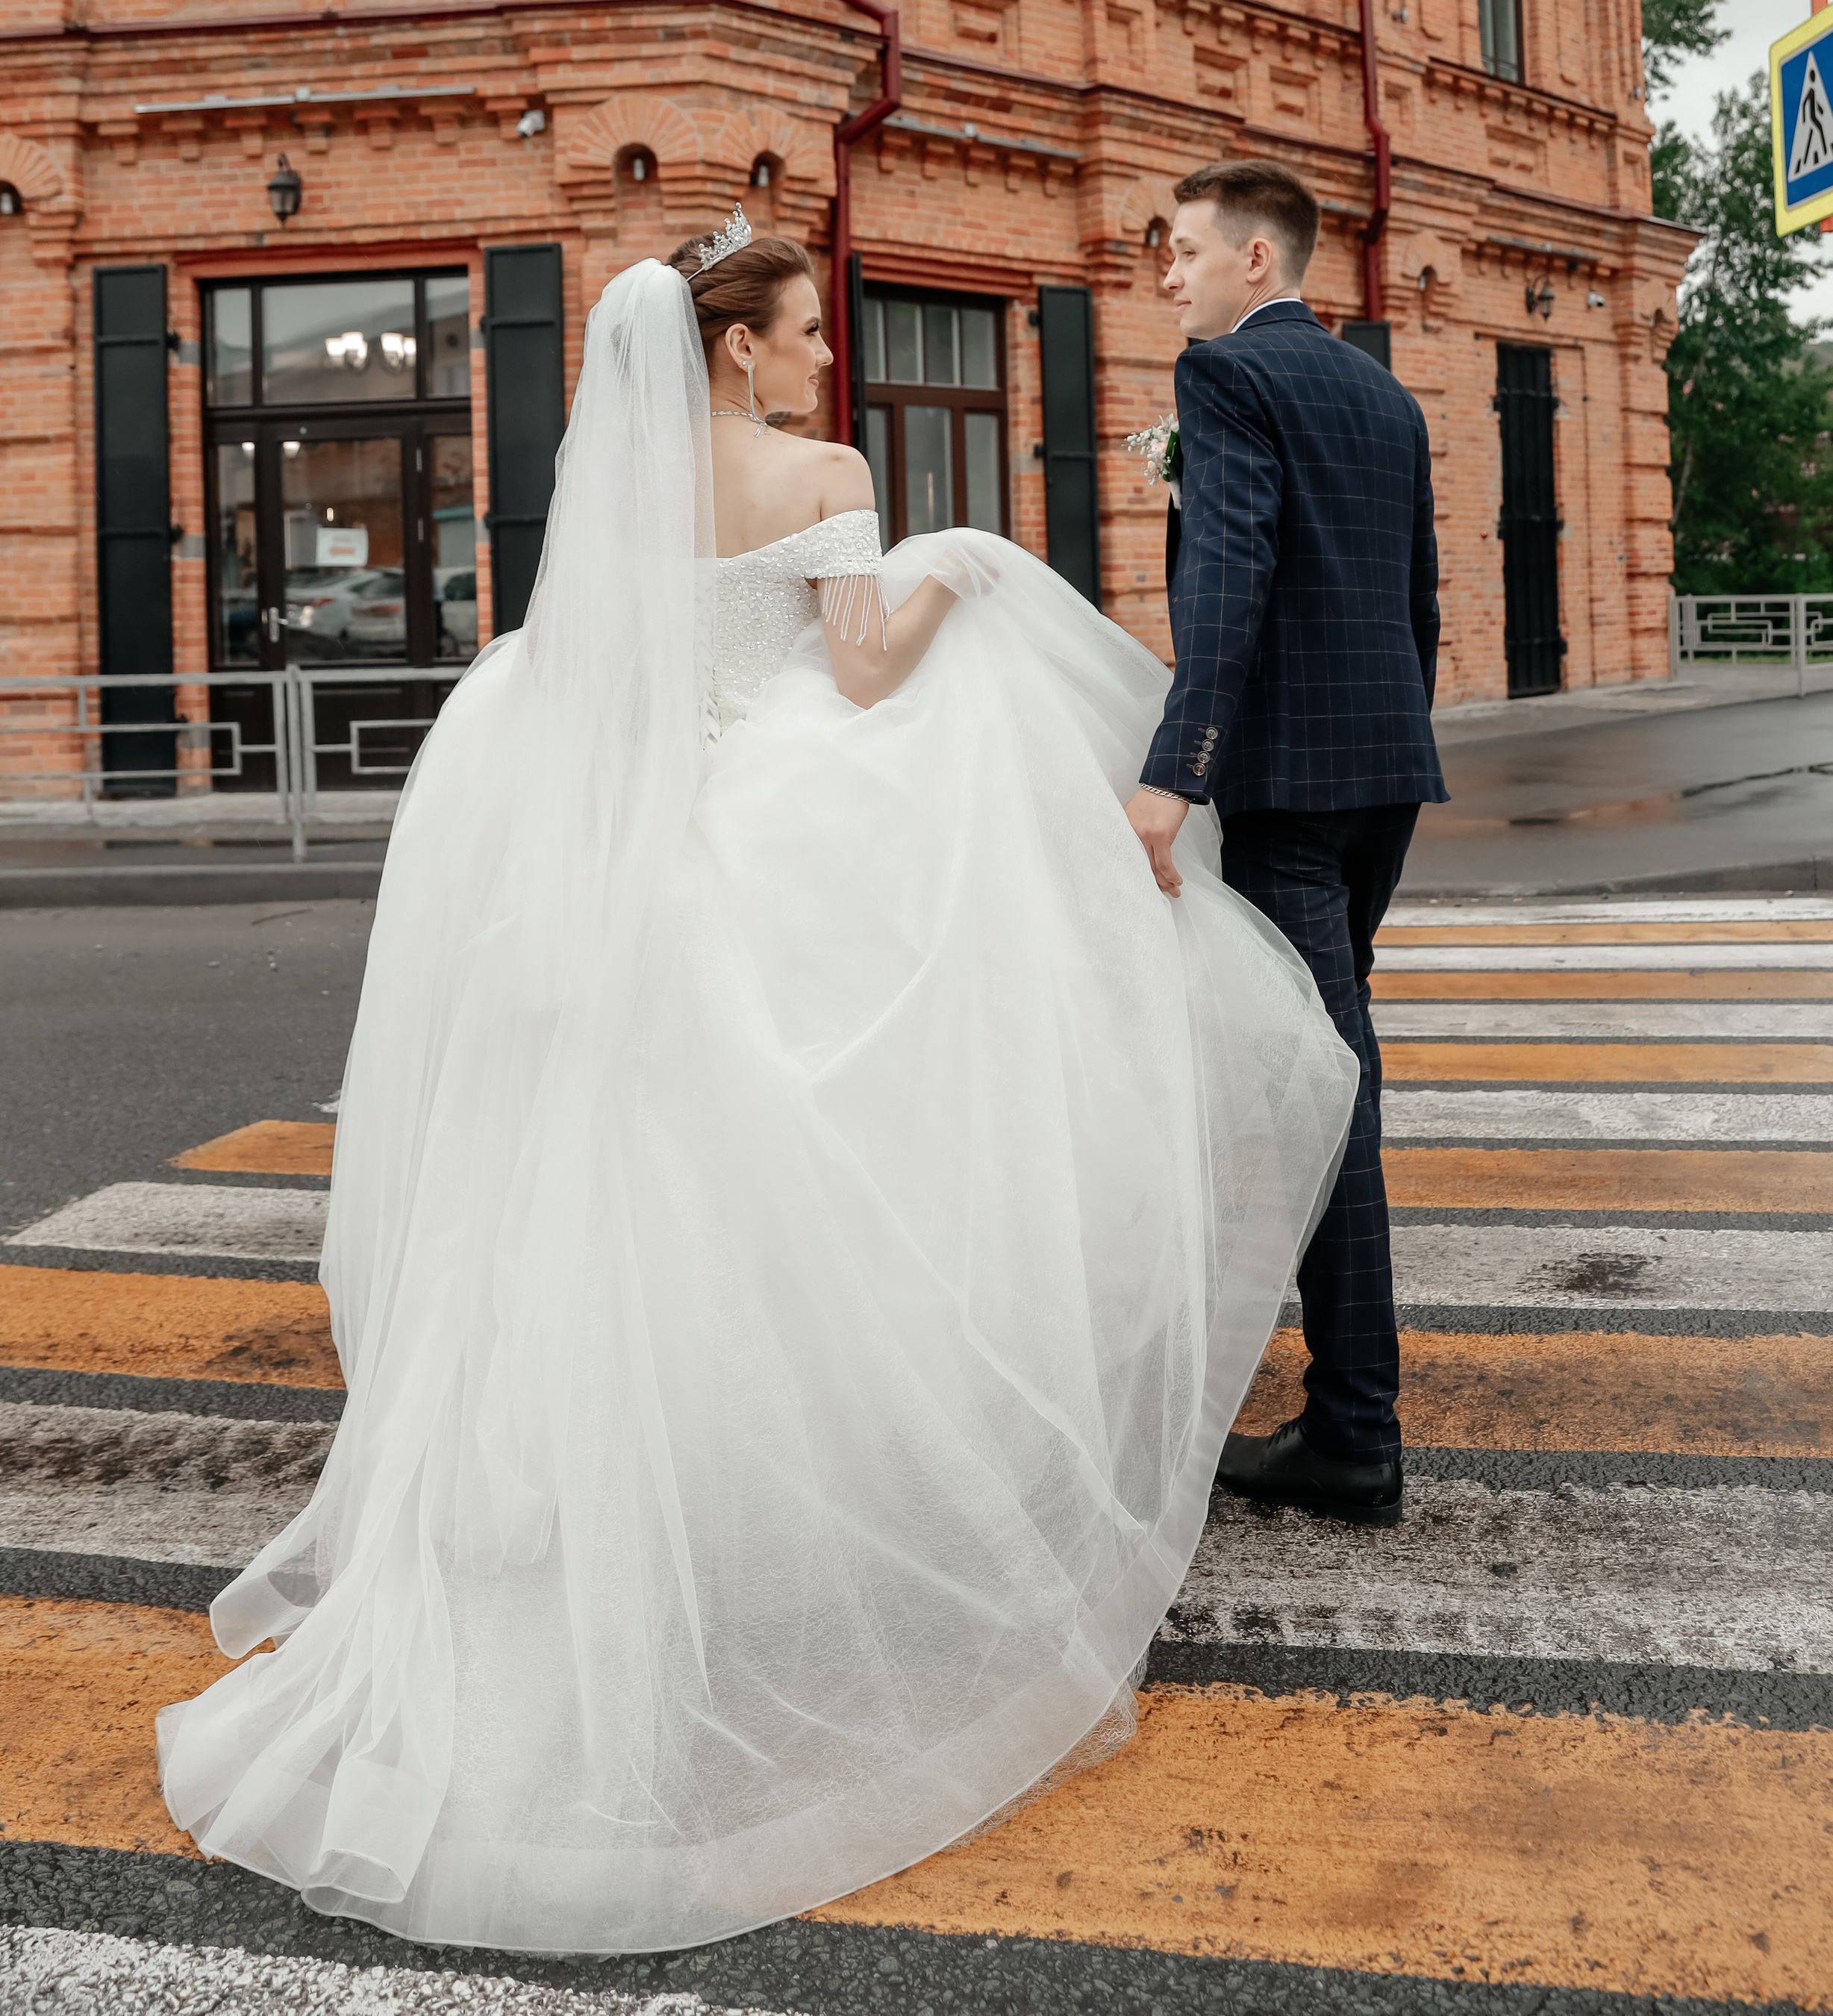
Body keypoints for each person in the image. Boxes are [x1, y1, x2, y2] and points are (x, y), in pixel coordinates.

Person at [156, 219, 1358, 1957]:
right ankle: (791, 1524)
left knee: (612, 1200)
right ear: (736, 349)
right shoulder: (821, 466)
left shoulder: (622, 486)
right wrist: (959, 566)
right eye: (800, 333)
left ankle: (590, 1520)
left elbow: (590, 676)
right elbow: (863, 665)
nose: (819, 359)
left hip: (633, 860)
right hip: (774, 841)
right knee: (814, 1189)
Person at [1122, 157, 1445, 1531]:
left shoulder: (1227, 380)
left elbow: (1231, 576)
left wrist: (1174, 772)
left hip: (1289, 793)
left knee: (1329, 1096)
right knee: (1332, 1070)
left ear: (1259, 261)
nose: (1168, 276)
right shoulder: (1386, 392)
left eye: (1186, 251)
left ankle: (1355, 1436)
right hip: (1380, 776)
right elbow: (1420, 597)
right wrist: (1392, 743)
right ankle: (1343, 1410)